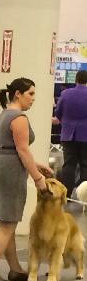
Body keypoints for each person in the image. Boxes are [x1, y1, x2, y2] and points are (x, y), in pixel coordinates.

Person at [0, 78, 54, 281]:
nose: (33, 99)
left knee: (7, 222)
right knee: (7, 225)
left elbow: (13, 149)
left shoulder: (4, 115)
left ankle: (14, 269)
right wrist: (39, 179)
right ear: (18, 94)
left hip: (0, 166)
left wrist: (35, 165)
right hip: (10, 171)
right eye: (30, 93)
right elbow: (22, 150)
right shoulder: (19, 117)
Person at [55, 69, 87, 197]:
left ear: (76, 80)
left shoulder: (65, 94)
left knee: (69, 164)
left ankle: (66, 195)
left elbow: (58, 112)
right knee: (86, 165)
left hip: (68, 135)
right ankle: (84, 197)